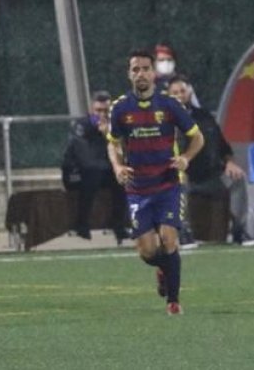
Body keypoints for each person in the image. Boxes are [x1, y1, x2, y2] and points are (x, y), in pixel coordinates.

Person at [108, 50, 204, 315]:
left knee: (169, 239)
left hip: (168, 184)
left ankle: (173, 301)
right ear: (130, 74)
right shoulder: (120, 108)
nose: (140, 73)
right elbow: (113, 144)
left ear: (153, 73)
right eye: (135, 69)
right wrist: (117, 166)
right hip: (138, 189)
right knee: (147, 251)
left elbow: (198, 138)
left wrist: (185, 158)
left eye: (145, 68)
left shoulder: (170, 105)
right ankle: (163, 267)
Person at [166, 74, 254, 246]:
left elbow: (223, 146)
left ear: (189, 92)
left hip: (212, 175)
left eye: (183, 91)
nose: (180, 95)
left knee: (237, 179)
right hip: (185, 176)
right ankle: (184, 232)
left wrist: (229, 162)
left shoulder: (204, 116)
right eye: (175, 92)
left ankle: (239, 230)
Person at [61, 90, 129, 241]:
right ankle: (82, 225)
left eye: (106, 111)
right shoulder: (81, 125)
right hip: (78, 173)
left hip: (103, 170)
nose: (102, 115)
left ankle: (119, 225)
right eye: (99, 110)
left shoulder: (116, 126)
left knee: (122, 179)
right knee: (92, 177)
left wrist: (108, 136)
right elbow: (84, 157)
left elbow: (122, 153)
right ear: (91, 109)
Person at [152, 42, 201, 108]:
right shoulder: (148, 83)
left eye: (169, 60)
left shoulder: (183, 83)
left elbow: (196, 108)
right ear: (155, 62)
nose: (166, 63)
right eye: (161, 60)